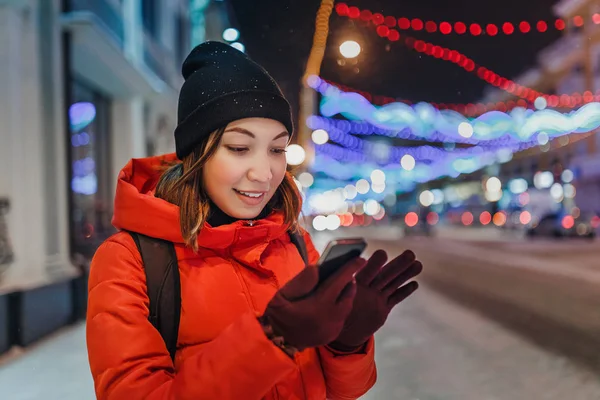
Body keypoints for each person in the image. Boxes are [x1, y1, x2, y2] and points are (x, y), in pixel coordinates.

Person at [86, 41, 423, 400]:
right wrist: (273, 339)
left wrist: (345, 344)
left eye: (277, 149)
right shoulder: (130, 260)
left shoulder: (293, 241)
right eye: (239, 148)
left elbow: (341, 391)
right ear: (197, 154)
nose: (265, 173)